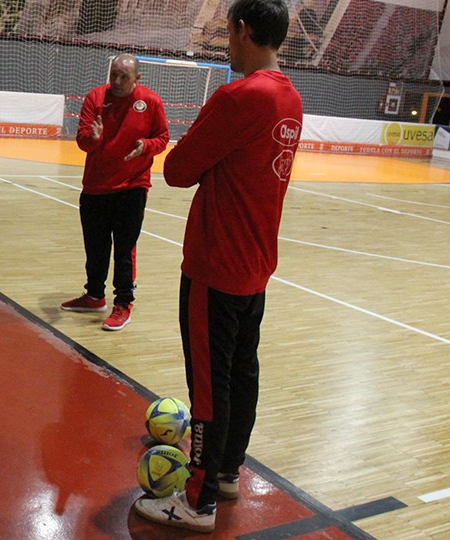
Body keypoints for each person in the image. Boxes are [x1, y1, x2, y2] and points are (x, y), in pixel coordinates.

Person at [133, 0, 303, 533]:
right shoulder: (291, 97)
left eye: (227, 33)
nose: (224, 43)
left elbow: (179, 170)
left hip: (216, 263)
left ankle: (197, 499)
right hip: (255, 262)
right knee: (242, 372)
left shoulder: (239, 96)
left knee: (209, 386)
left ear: (243, 30)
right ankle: (227, 471)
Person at [61, 53, 169, 332]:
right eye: (114, 76)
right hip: (95, 187)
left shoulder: (152, 102)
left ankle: (123, 303)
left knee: (124, 250)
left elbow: (163, 138)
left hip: (132, 187)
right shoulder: (94, 98)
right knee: (95, 247)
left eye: (124, 77)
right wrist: (92, 139)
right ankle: (95, 296)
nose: (117, 82)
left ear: (137, 79)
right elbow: (83, 141)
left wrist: (146, 146)